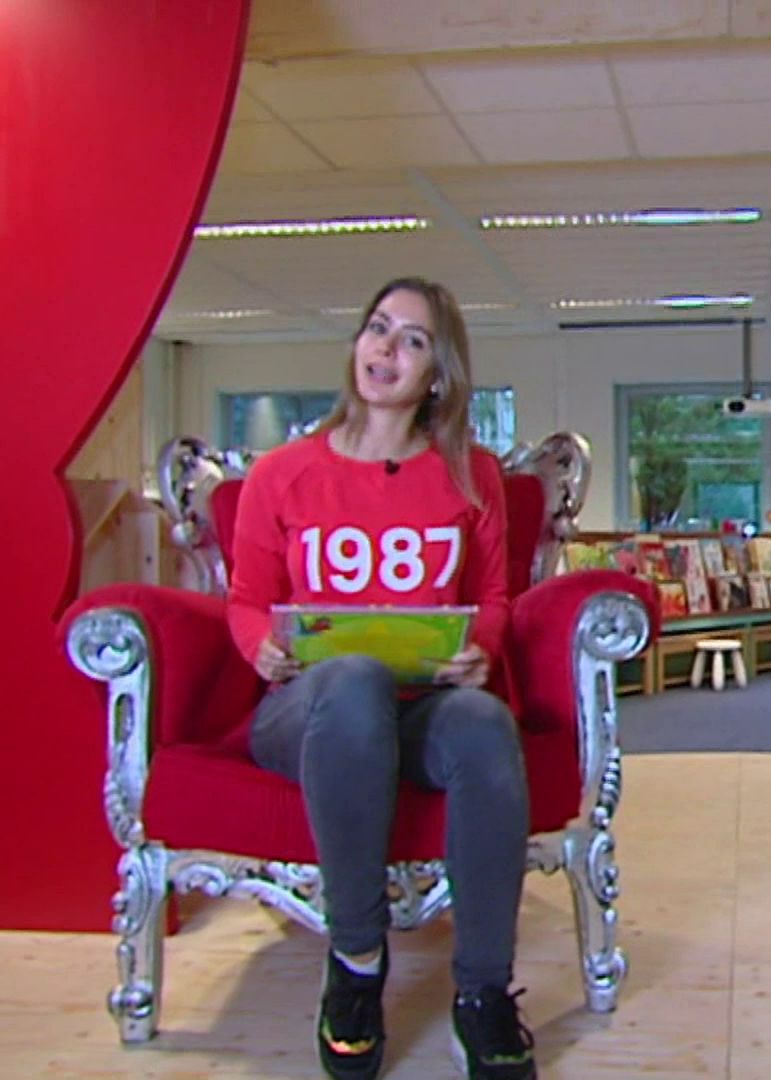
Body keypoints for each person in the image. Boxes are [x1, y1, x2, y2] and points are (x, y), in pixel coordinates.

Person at [225, 277, 537, 1080]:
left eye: (413, 340)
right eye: (377, 328)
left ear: (438, 373)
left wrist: (480, 648)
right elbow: (246, 600)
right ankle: (357, 963)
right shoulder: (280, 474)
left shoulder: (472, 475)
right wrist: (261, 646)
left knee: (483, 722)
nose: (387, 349)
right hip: (307, 712)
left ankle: (484, 992)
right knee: (355, 679)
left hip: (422, 706)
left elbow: (494, 597)